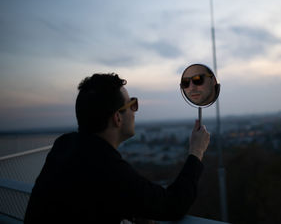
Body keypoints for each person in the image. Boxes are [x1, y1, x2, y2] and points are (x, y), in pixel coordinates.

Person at [24, 73, 210, 223]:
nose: (135, 112)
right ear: (117, 118)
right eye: (132, 105)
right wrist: (196, 151)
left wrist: (129, 209)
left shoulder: (64, 145)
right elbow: (173, 205)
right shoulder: (107, 169)